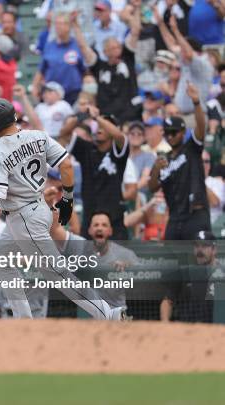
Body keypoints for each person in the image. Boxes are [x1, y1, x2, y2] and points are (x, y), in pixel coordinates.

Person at [0, 98, 126, 320]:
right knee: (2, 260)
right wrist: (67, 198)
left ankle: (107, 313)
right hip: (39, 208)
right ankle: (23, 319)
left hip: (24, 217)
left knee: (57, 274)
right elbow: (65, 164)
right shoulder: (38, 135)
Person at [149, 84, 210, 240]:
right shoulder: (163, 159)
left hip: (195, 214)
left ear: (183, 132)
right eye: (167, 133)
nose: (170, 136)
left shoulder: (191, 148)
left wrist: (196, 102)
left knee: (200, 259)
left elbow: (201, 127)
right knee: (174, 263)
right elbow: (152, 187)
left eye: (174, 132)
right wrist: (156, 168)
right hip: (175, 217)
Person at [60, 105, 130, 240]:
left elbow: (118, 135)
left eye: (106, 125)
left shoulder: (119, 151)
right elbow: (64, 133)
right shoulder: (87, 148)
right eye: (98, 125)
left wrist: (97, 117)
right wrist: (82, 115)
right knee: (87, 260)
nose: (100, 127)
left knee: (120, 259)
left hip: (114, 218)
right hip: (90, 218)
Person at [51, 210, 139, 310]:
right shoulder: (80, 246)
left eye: (104, 225)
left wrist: (128, 269)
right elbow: (55, 230)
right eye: (96, 225)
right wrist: (51, 205)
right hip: (87, 314)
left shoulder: (125, 254)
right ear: (90, 230)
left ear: (110, 231)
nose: (100, 228)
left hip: (116, 313)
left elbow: (143, 283)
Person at [73, 9, 141, 123]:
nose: (116, 51)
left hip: (130, 116)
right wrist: (74, 24)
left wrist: (132, 15)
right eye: (111, 49)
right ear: (104, 52)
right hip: (107, 118)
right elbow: (83, 47)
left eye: (117, 47)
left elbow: (136, 31)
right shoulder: (99, 66)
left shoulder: (127, 58)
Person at [161, 231, 220, 322]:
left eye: (204, 246)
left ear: (214, 249)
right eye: (196, 246)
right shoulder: (184, 273)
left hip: (215, 331)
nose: (199, 250)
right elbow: (167, 301)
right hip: (187, 330)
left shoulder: (222, 274)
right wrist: (165, 322)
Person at [32, 12, 85, 105]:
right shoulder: (49, 45)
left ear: (69, 26)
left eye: (62, 23)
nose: (58, 27)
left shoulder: (77, 45)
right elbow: (41, 70)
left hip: (73, 93)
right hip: (52, 93)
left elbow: (85, 71)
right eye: (56, 24)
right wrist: (35, 86)